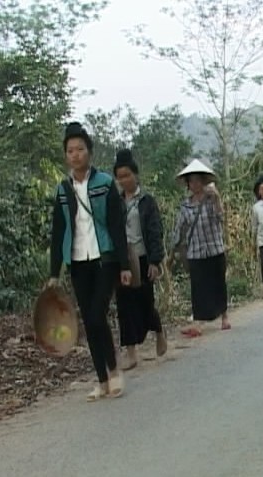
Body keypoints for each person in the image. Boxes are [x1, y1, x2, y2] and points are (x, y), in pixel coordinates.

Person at [47, 122, 132, 402]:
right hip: (77, 261)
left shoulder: (105, 183)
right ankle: (101, 380)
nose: (75, 155)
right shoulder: (63, 190)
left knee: (97, 315)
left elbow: (117, 227)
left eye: (80, 149)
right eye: (70, 150)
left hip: (103, 258)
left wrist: (124, 265)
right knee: (89, 320)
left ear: (89, 152)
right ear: (66, 155)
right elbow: (58, 231)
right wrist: (54, 272)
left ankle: (114, 371)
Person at [112, 149, 167, 370]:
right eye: (120, 176)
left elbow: (155, 231)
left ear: (136, 175)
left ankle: (159, 332)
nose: (124, 180)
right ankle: (131, 352)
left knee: (146, 301)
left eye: (127, 175)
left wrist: (155, 261)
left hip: (143, 258)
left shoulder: (146, 201)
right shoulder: (115, 203)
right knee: (125, 306)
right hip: (123, 261)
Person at [169, 159, 230, 337]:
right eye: (191, 181)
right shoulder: (185, 205)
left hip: (214, 248)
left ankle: (224, 316)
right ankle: (198, 322)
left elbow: (220, 219)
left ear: (203, 181)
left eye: (197, 180)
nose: (194, 184)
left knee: (218, 283)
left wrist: (217, 198)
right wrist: (172, 252)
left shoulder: (212, 200)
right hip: (195, 252)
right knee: (198, 287)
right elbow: (179, 229)